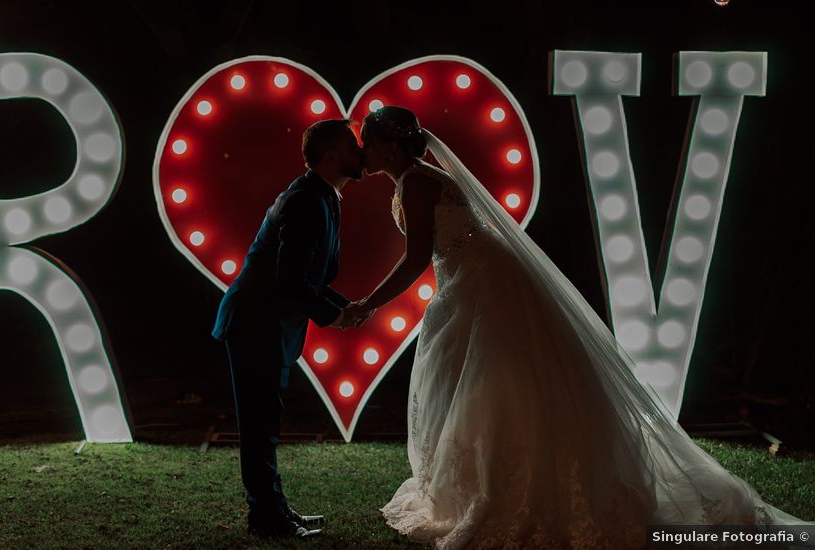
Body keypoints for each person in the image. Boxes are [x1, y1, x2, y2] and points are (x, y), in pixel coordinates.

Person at [346, 106, 808, 549]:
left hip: (483, 286)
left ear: (388, 148)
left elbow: (416, 259)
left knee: (495, 382)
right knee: (492, 384)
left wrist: (369, 304)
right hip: (471, 281)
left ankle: (514, 489)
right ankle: (485, 482)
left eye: (367, 142)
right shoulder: (417, 180)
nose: (362, 151)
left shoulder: (418, 184)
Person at [211, 119, 371, 539]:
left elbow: (308, 279)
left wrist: (345, 307)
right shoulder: (305, 201)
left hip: (266, 323)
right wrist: (337, 315)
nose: (361, 155)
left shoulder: (321, 196)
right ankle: (267, 517)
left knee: (265, 420)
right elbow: (290, 282)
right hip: (255, 323)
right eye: (353, 148)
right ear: (332, 155)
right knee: (259, 423)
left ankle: (273, 509)